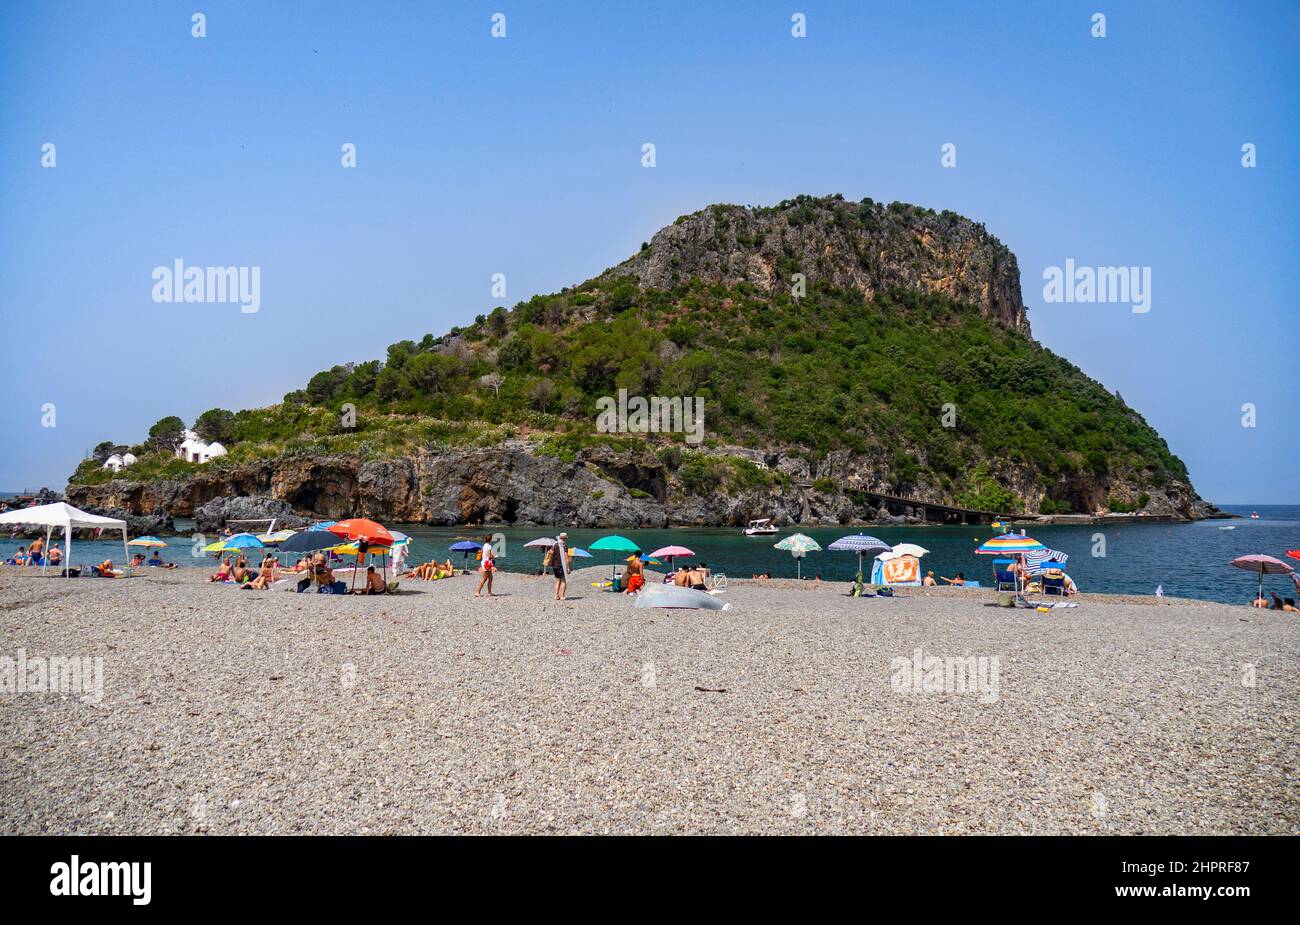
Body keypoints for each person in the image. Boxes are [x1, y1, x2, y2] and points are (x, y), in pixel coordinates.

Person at [544, 533, 569, 600]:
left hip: (555, 565)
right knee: (564, 580)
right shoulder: (564, 546)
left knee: (558, 580)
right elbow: (566, 558)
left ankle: (556, 595)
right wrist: (568, 567)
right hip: (562, 566)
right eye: (566, 538)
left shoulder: (554, 545)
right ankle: (562, 596)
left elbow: (551, 553)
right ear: (564, 538)